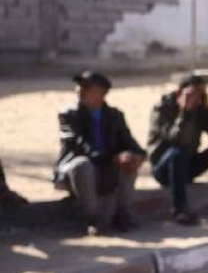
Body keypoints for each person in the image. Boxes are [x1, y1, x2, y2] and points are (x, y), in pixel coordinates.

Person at [52, 70, 146, 234]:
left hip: (106, 169)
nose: (80, 90)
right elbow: (79, 145)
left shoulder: (115, 115)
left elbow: (130, 143)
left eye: (87, 87)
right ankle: (93, 218)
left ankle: (123, 214)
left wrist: (137, 156)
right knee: (83, 164)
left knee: (130, 161)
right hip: (76, 170)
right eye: (79, 86)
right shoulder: (69, 114)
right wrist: (112, 158)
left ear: (101, 93)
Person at [148, 74, 208, 225]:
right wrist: (184, 112)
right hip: (163, 168)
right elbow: (177, 139)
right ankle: (179, 209)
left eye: (201, 93)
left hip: (187, 165)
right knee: (178, 152)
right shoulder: (162, 109)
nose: (197, 97)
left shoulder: (200, 109)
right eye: (195, 93)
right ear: (180, 92)